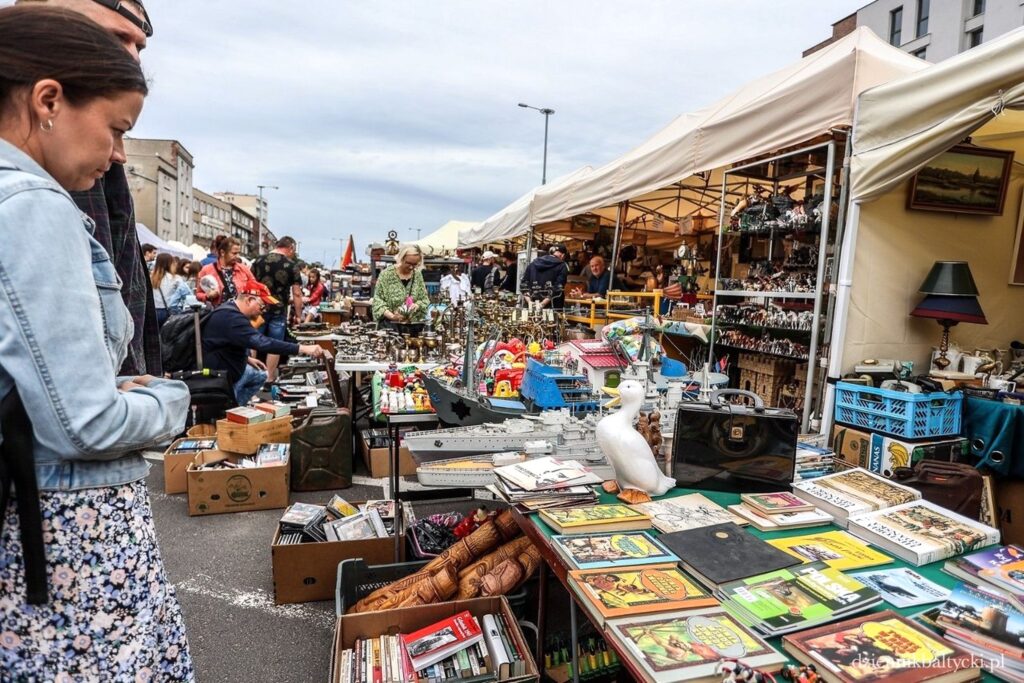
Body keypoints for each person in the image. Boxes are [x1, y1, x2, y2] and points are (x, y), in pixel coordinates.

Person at [0, 6, 194, 679]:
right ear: (48, 99)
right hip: (73, 545)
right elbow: (84, 421)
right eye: (116, 130)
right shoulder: (33, 207)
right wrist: (172, 402)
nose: (118, 155)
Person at [202, 282, 332, 405]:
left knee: (260, 375)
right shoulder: (232, 318)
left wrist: (246, 358)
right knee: (256, 376)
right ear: (249, 300)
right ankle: (228, 409)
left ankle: (235, 406)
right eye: (262, 305)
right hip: (219, 376)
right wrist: (303, 348)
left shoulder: (232, 312)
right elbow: (263, 343)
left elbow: (224, 342)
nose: (263, 310)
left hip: (227, 368)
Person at [250, 235, 304, 381]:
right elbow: (297, 293)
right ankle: (268, 378)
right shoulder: (291, 265)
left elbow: (250, 285)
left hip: (257, 308)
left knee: (253, 342)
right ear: (290, 248)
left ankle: (252, 375)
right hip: (279, 309)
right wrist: (299, 315)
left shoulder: (258, 261)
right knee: (275, 344)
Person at [372, 243, 429, 331]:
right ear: (401, 259)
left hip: (412, 328)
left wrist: (417, 305)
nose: (411, 267)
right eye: (408, 263)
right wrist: (392, 316)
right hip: (390, 327)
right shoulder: (386, 274)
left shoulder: (417, 275)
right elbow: (378, 302)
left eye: (415, 264)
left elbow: (424, 299)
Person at [195, 235, 255, 306]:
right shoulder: (207, 270)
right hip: (219, 313)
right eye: (234, 253)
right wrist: (208, 296)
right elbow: (198, 294)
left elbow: (255, 287)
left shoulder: (244, 269)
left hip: (240, 313)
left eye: (239, 253)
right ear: (222, 252)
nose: (238, 256)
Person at [522, 243, 569, 309]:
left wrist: (529, 302)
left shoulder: (533, 263)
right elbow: (558, 287)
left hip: (531, 307)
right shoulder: (562, 266)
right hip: (553, 308)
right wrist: (542, 304)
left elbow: (523, 285)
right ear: (563, 255)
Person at [151, 252, 189, 325]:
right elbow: (186, 293)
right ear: (170, 263)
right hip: (168, 311)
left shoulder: (151, 277)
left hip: (153, 311)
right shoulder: (175, 279)